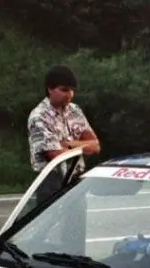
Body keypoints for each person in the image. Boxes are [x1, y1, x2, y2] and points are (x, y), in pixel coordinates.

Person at [27, 65, 100, 202]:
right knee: (50, 221)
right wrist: (83, 147)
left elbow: (95, 145)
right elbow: (54, 154)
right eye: (64, 90)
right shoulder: (39, 116)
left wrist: (68, 144)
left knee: (76, 222)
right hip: (51, 180)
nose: (69, 95)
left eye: (72, 90)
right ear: (50, 89)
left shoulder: (74, 110)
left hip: (75, 178)